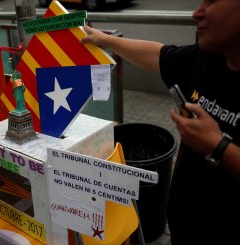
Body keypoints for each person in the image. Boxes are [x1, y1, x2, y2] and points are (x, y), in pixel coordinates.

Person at [82, 0, 240, 244]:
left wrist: (217, 146)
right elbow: (160, 55)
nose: (196, 13)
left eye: (211, 2)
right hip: (184, 228)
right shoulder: (209, 57)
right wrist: (105, 40)